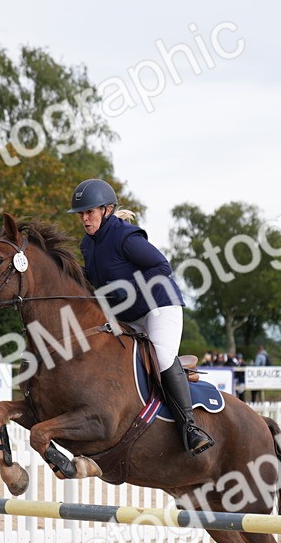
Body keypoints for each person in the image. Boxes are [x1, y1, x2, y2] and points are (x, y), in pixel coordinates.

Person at [68, 178, 214, 456]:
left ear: (107, 210)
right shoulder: (88, 245)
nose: (84, 218)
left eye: (90, 212)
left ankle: (190, 427)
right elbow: (94, 280)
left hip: (159, 306)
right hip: (128, 315)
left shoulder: (125, 236)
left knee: (160, 356)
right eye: (81, 214)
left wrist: (130, 291)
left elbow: (162, 266)